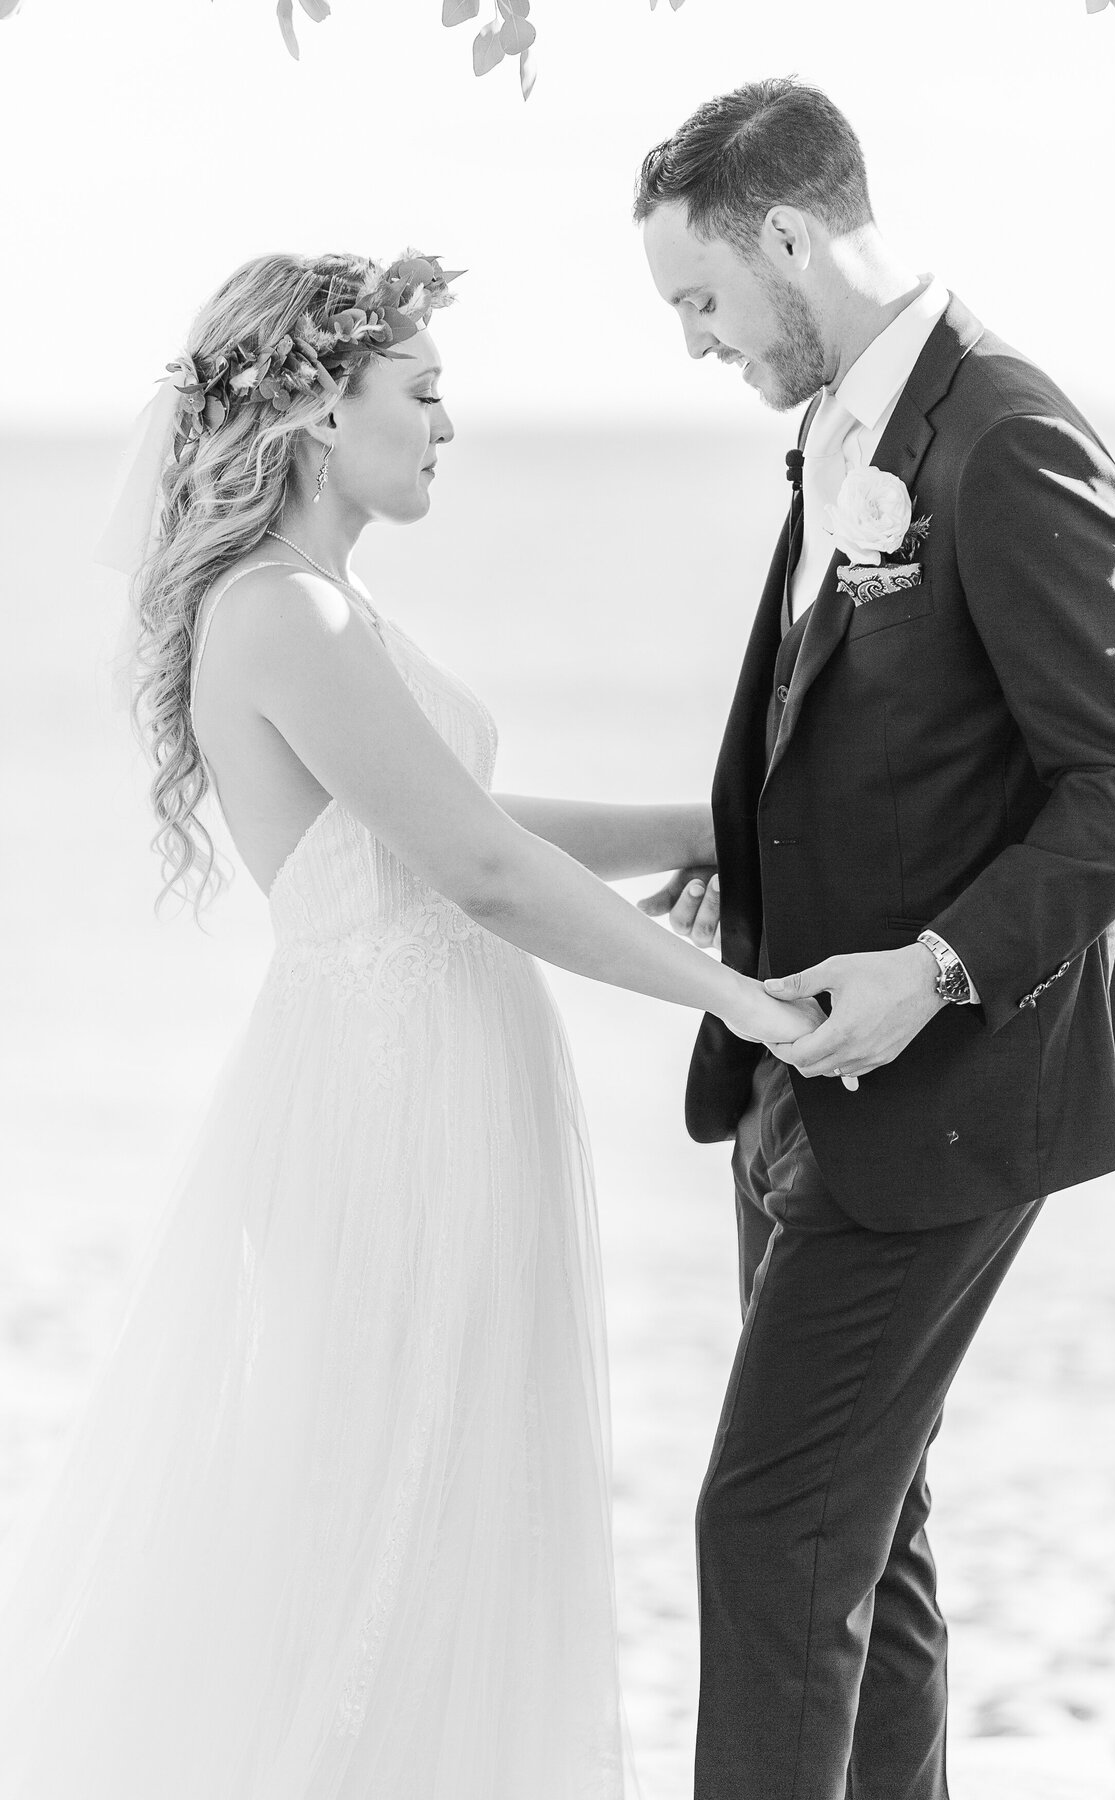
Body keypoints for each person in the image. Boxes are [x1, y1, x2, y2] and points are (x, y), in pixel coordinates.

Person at [0, 248, 816, 1800]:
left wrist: (710, 829)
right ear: (315, 405)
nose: (448, 427)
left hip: (435, 1080)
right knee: (386, 1497)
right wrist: (736, 998)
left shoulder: (323, 606)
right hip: (388, 1108)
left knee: (448, 1492)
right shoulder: (283, 613)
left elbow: (454, 822)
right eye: (423, 392)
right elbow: (480, 872)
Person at [635, 79, 1115, 1800]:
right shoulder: (851, 427)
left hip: (941, 1093)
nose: (698, 343)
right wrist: (759, 871)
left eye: (703, 300)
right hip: (798, 1076)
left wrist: (934, 967)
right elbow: (876, 736)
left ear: (791, 237)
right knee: (863, 1542)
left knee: (770, 1529)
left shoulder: (1004, 435)